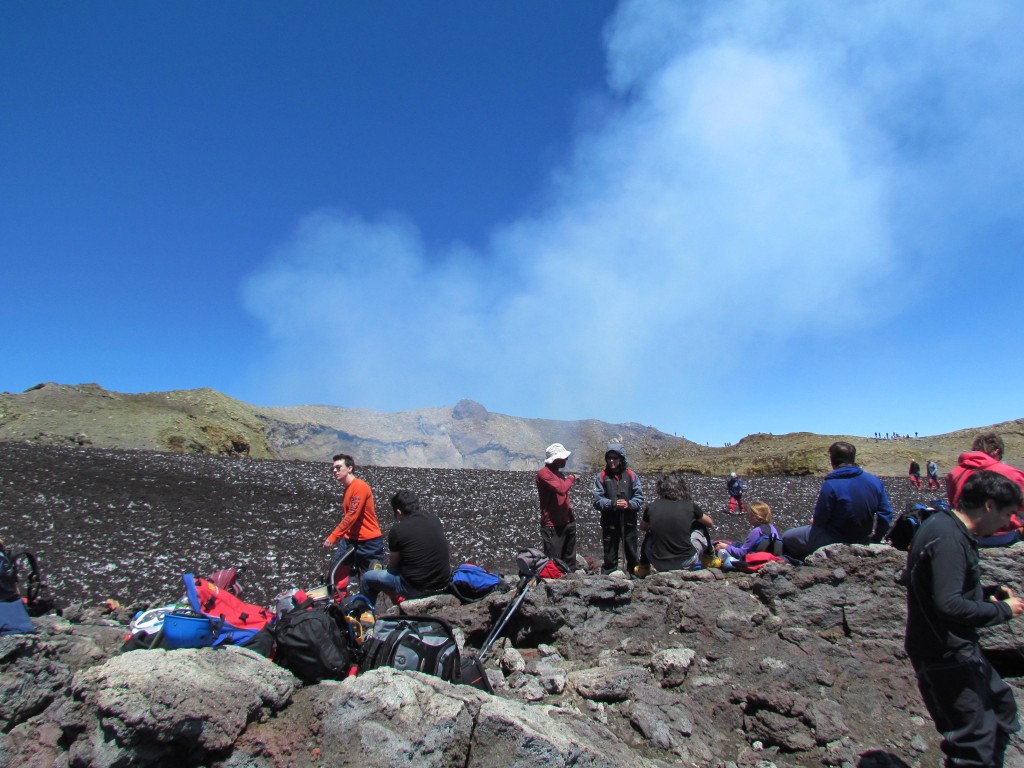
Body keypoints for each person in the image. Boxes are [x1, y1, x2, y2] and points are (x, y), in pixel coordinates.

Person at [901, 470, 1024, 767]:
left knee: (1002, 707)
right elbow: (949, 604)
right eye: (1008, 514)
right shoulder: (948, 539)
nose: (1009, 523)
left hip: (955, 649)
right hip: (945, 655)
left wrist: (985, 594)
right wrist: (1004, 611)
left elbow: (939, 588)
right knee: (974, 741)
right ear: (990, 505)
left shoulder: (945, 527)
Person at [781, 441, 893, 560]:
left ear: (833, 460)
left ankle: (802, 562)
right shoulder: (874, 481)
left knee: (787, 536)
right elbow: (886, 514)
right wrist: (876, 538)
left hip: (835, 537)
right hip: (862, 536)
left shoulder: (831, 484)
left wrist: (816, 521)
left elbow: (820, 520)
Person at [359, 490, 451, 606]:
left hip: (416, 589)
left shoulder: (398, 530)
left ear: (398, 511)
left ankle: (366, 616)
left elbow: (393, 566)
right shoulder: (434, 520)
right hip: (442, 585)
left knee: (368, 578)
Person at [946, 433, 1024, 546]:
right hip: (997, 535)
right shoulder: (1007, 472)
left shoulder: (954, 473)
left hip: (963, 532)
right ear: (997, 452)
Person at [634, 470, 712, 575]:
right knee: (700, 524)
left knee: (649, 534)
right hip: (687, 561)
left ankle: (643, 567)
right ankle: (709, 559)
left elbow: (643, 527)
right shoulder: (689, 505)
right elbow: (710, 523)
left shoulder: (652, 507)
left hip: (658, 562)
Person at [322, 454, 385, 577]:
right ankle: (340, 596)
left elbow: (351, 516)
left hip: (368, 542)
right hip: (350, 539)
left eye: (338, 467)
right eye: (333, 468)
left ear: (349, 468)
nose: (334, 471)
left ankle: (400, 596)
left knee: (374, 579)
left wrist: (333, 537)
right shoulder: (348, 488)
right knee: (337, 575)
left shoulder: (359, 487)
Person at [593, 444, 645, 575]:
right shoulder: (602, 476)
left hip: (629, 522)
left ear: (621, 459)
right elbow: (597, 500)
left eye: (615, 458)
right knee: (609, 558)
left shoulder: (631, 476)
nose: (611, 461)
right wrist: (612, 504)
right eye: (609, 458)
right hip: (609, 522)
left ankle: (635, 578)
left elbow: (639, 497)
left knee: (632, 554)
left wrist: (629, 504)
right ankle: (608, 581)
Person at [536, 443, 578, 565]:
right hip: (552, 525)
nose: (566, 460)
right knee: (553, 561)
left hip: (566, 521)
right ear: (556, 459)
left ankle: (570, 577)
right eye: (563, 458)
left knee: (569, 560)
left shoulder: (558, 474)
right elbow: (561, 490)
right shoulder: (544, 474)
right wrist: (571, 478)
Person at [715, 500, 780, 569]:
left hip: (753, 559)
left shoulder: (757, 531)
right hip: (768, 557)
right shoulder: (773, 529)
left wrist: (726, 547)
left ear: (758, 516)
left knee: (720, 547)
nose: (748, 517)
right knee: (736, 544)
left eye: (750, 514)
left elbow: (742, 553)